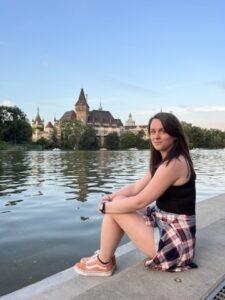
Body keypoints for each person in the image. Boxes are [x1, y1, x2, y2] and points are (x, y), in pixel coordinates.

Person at [74, 112, 197, 276]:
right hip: (167, 226)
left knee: (116, 208)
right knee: (118, 202)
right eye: (152, 132)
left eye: (162, 131)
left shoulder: (173, 164)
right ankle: (105, 258)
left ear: (175, 135)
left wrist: (106, 207)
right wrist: (111, 197)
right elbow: (136, 188)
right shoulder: (164, 162)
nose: (156, 136)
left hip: (175, 245)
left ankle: (103, 262)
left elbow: (140, 201)